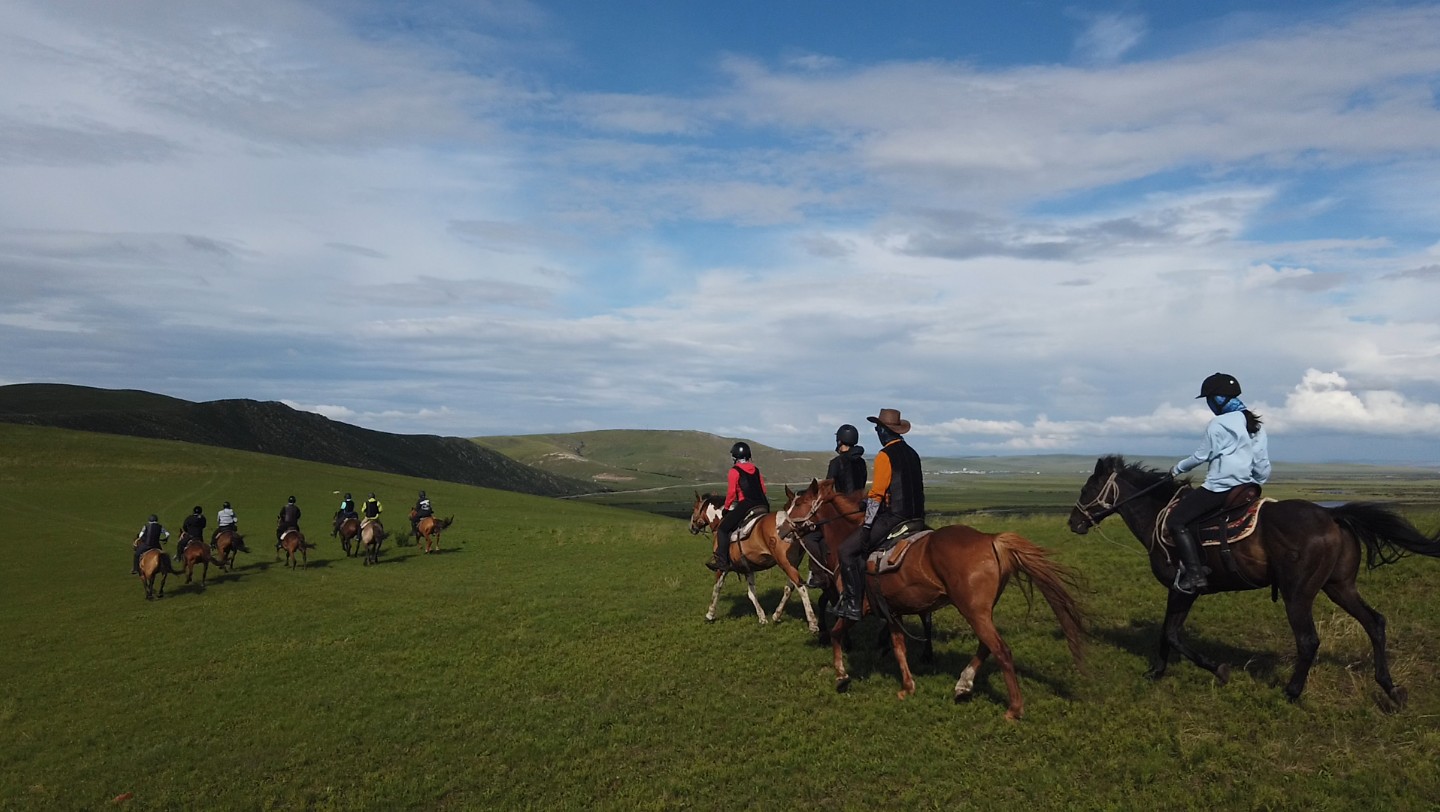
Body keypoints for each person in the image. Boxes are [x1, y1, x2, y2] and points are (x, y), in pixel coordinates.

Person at [1167, 373, 1271, 594]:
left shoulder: (1218, 424)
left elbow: (1201, 456)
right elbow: (1261, 464)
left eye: (1209, 399)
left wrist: (1177, 469)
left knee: (1176, 520)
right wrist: (1256, 482)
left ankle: (1195, 574)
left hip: (1219, 489)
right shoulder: (1255, 425)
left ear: (1219, 399)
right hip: (1246, 489)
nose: (1209, 404)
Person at [834, 409, 925, 621]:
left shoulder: (884, 456)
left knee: (846, 550)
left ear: (885, 431)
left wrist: (866, 526)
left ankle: (854, 605)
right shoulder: (912, 453)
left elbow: (876, 495)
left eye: (877, 429)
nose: (877, 432)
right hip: (917, 517)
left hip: (894, 518)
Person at [803, 425, 868, 587]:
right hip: (860, 509)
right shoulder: (862, 463)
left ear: (839, 441)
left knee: (811, 537)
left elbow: (826, 489)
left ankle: (819, 575)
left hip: (843, 512)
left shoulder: (836, 462)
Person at [707, 442, 770, 571]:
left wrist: (726, 508)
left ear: (735, 456)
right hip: (763, 504)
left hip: (747, 504)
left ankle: (723, 562)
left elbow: (731, 493)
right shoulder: (756, 470)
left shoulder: (734, 471)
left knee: (723, 529)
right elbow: (763, 490)